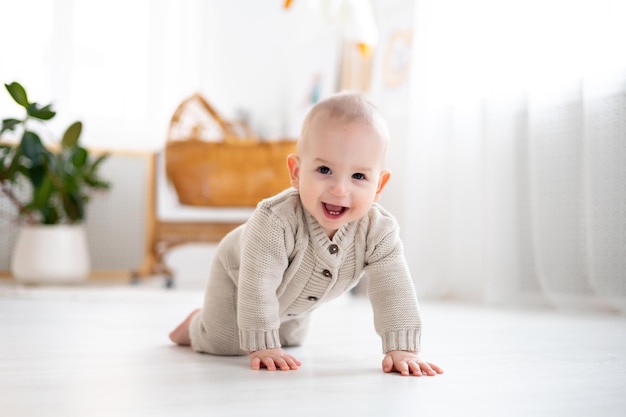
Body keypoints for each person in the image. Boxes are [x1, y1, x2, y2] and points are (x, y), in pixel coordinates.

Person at [169, 91, 443, 377]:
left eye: (359, 177)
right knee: (226, 342)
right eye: (324, 169)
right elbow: (258, 283)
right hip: (240, 273)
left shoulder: (379, 231)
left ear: (379, 185)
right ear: (296, 172)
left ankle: (271, 328)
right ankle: (195, 325)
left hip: (297, 297)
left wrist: (402, 348)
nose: (340, 189)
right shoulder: (275, 221)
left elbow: (394, 289)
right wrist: (263, 345)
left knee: (290, 340)